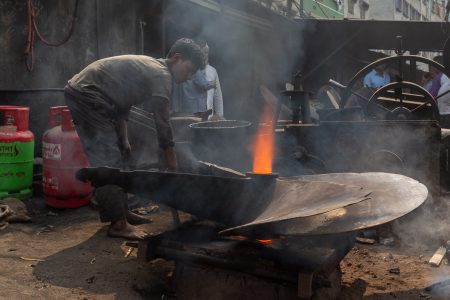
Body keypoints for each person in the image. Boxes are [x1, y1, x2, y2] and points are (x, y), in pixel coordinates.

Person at [64, 38, 205, 240]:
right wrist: (173, 164)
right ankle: (118, 225)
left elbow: (122, 101)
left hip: (95, 97)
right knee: (107, 161)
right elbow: (163, 124)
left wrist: (124, 139)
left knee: (123, 153)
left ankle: (121, 212)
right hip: (86, 95)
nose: (189, 77)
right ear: (177, 58)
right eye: (189, 70)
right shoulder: (161, 74)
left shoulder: (151, 68)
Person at [171, 43, 216, 116]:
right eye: (204, 52)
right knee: (193, 124)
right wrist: (212, 84)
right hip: (194, 106)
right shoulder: (195, 64)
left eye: (206, 53)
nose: (205, 55)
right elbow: (201, 84)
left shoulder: (182, 63)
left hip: (183, 105)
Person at [203, 42, 224, 119]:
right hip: (192, 120)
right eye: (201, 52)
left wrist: (220, 116)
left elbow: (218, 97)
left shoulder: (212, 71)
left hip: (208, 121)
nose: (204, 55)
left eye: (205, 52)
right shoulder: (189, 70)